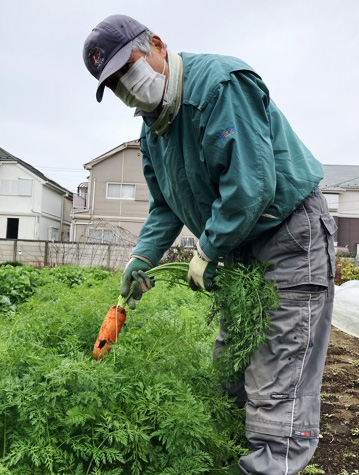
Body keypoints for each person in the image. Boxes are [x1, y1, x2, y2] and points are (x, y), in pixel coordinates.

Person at [83, 14, 337, 475]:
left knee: (276, 375)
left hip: (286, 236)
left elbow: (250, 187)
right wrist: (142, 258)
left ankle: (272, 462)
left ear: (157, 45)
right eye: (114, 84)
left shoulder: (219, 87)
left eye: (129, 69)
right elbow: (165, 206)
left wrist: (208, 249)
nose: (127, 87)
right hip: (239, 248)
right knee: (230, 371)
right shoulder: (153, 129)